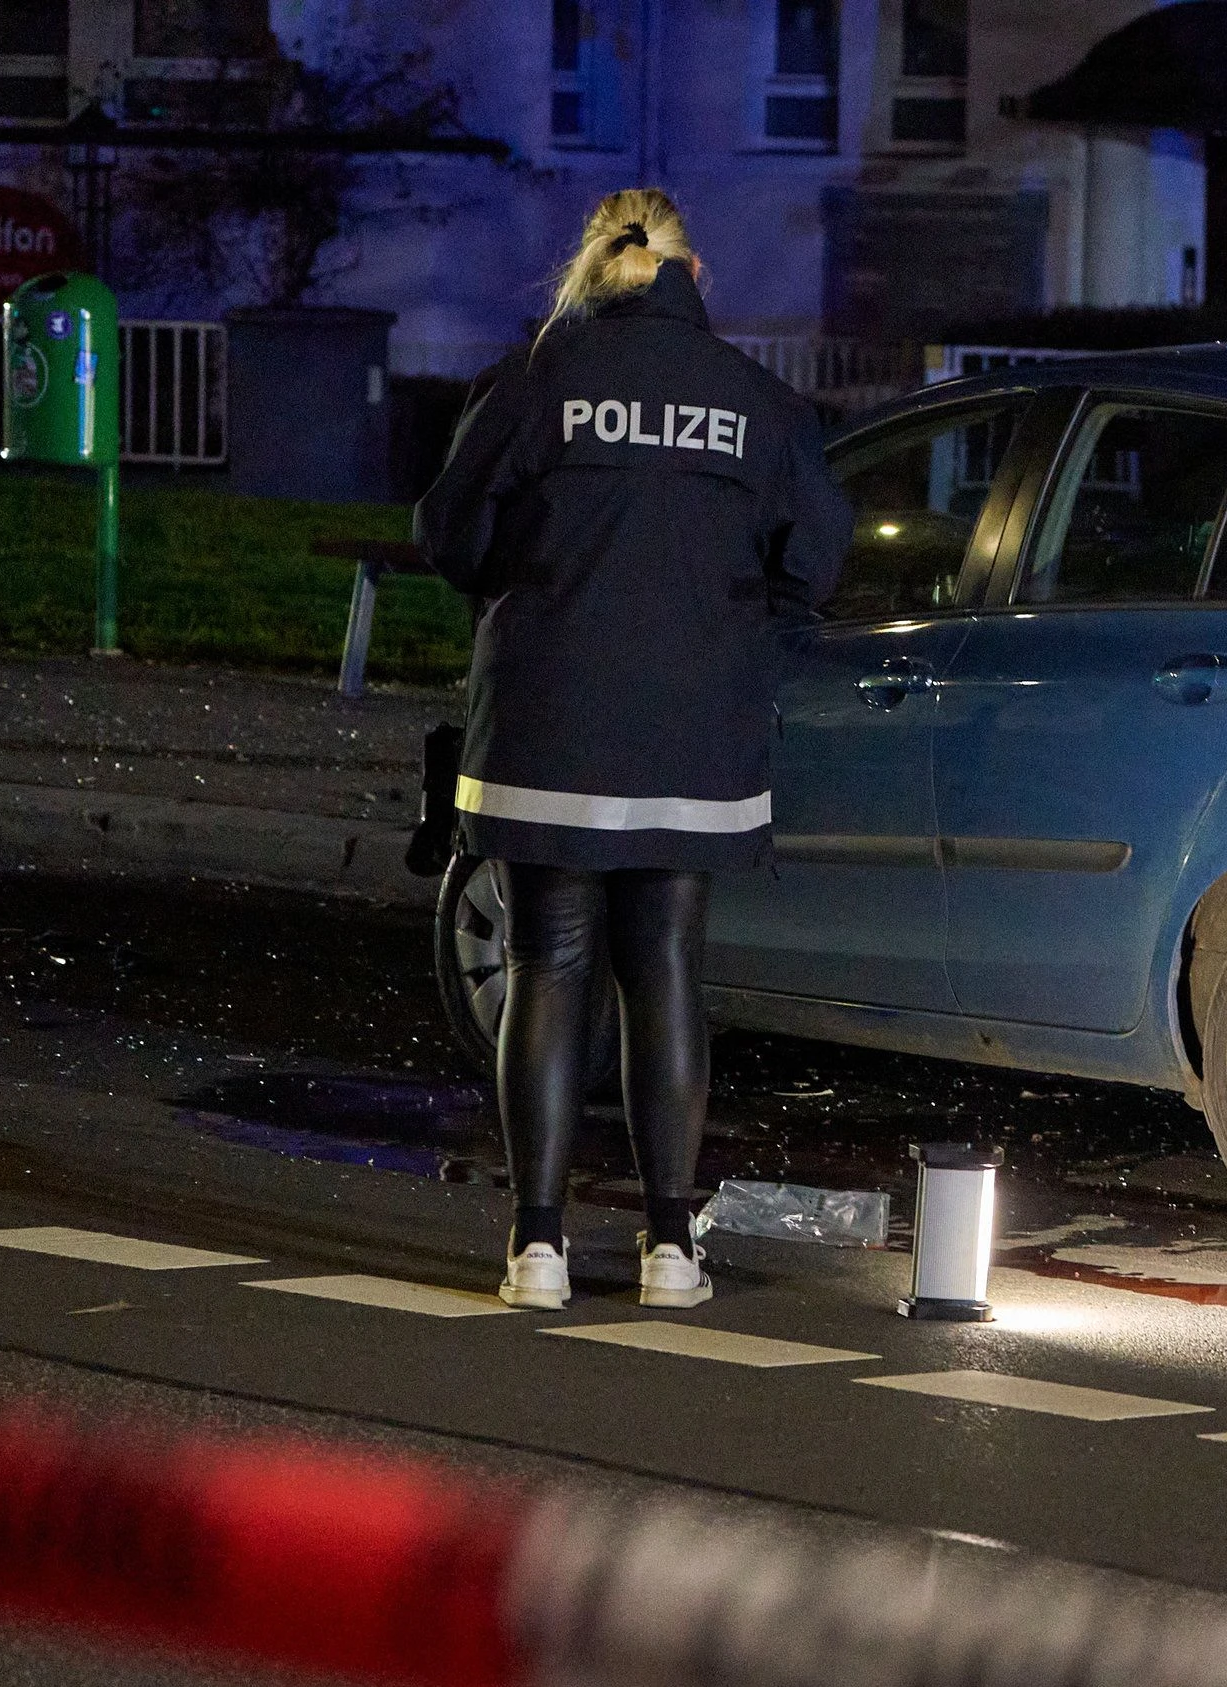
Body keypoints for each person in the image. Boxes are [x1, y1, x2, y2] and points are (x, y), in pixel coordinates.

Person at [415, 189, 852, 1309]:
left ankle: (538, 1249)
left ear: (594, 265)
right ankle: (669, 1250)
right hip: (693, 735)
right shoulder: (758, 403)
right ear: (692, 276)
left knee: (545, 966)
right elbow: (816, 559)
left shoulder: (532, 382)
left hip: (547, 724)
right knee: (665, 973)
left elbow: (449, 535)